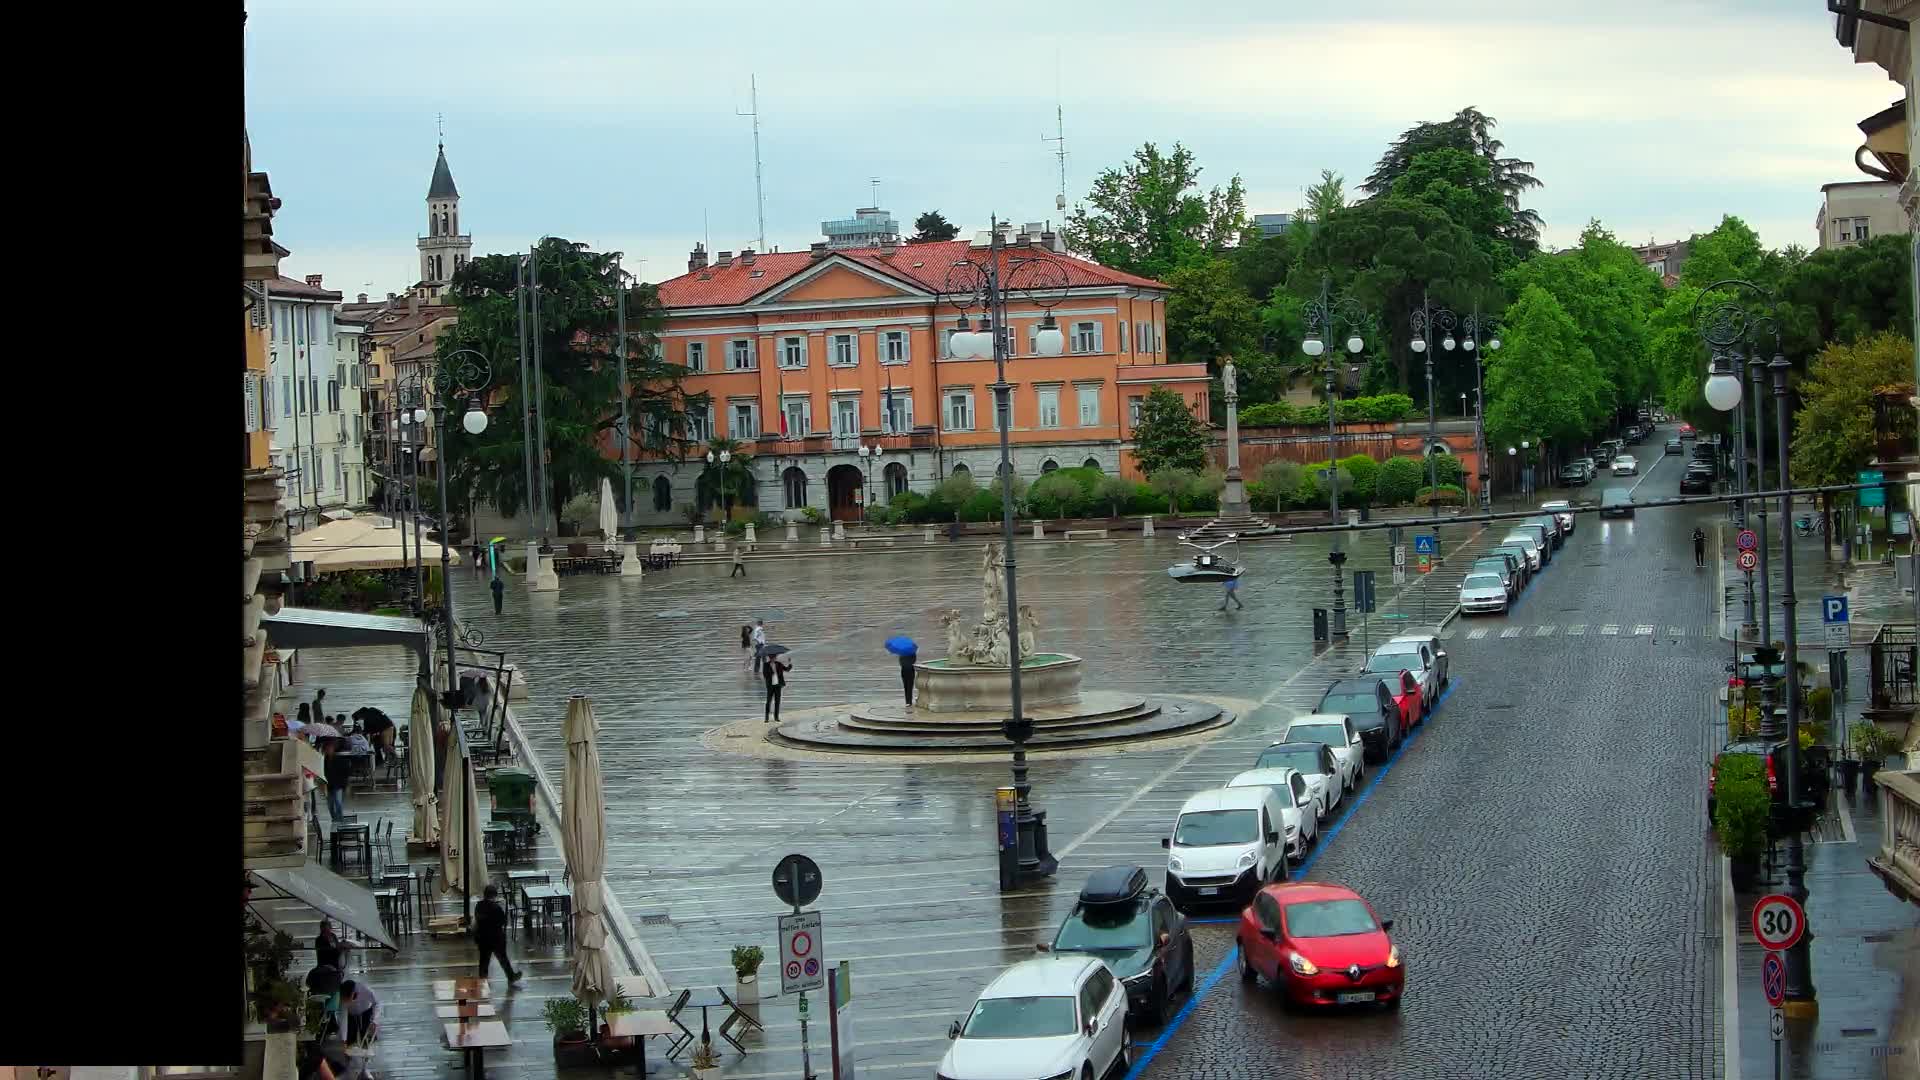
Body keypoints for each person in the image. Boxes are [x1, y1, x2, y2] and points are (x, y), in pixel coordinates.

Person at [473, 884, 524, 984]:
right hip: (496, 938)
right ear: (494, 895)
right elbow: (503, 921)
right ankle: (511, 976)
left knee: (484, 961)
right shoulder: (496, 908)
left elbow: (477, 920)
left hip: (483, 938)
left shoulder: (479, 906)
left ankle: (482, 980)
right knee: (503, 958)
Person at [340, 979, 380, 1045]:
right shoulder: (343, 995)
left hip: (366, 1010)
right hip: (351, 1013)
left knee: (366, 1036)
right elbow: (343, 1018)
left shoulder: (366, 990)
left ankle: (367, 1049)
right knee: (350, 1036)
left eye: (347, 999)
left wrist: (375, 1020)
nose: (346, 1001)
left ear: (353, 993)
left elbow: (376, 1003)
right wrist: (344, 1039)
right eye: (344, 999)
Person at [322, 737, 353, 821]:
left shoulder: (339, 758)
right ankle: (334, 818)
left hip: (338, 784)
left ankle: (340, 820)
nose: (328, 751)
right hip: (330, 784)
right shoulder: (326, 759)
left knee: (338, 802)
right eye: (326, 749)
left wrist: (346, 785)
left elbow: (346, 772)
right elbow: (324, 771)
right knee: (330, 805)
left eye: (329, 748)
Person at [763, 653, 788, 723]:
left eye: (774, 657)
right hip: (770, 686)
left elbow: (786, 669)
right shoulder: (766, 665)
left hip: (778, 685)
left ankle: (776, 717)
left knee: (777, 702)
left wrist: (789, 663)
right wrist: (772, 672)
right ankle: (766, 717)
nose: (774, 659)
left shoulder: (779, 664)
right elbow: (765, 675)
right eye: (772, 657)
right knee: (768, 702)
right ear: (770, 658)